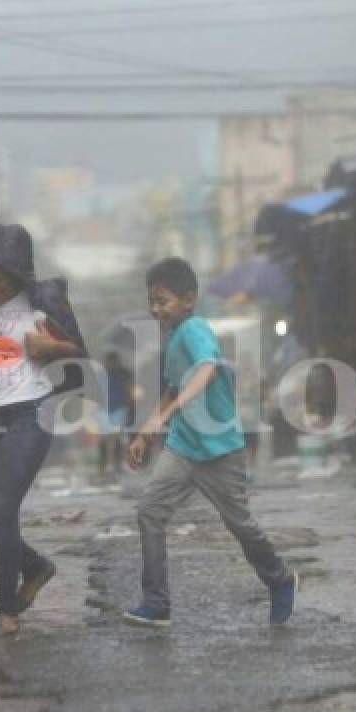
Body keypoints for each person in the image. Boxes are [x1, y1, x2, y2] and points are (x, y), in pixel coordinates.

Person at [124, 258, 297, 627]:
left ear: (188, 300)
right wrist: (144, 433)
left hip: (220, 451)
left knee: (240, 525)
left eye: (163, 301)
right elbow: (173, 388)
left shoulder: (196, 328)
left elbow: (207, 368)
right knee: (149, 511)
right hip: (183, 447)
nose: (156, 309)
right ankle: (157, 603)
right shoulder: (173, 340)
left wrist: (170, 412)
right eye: (151, 301)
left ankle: (280, 578)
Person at [0, 224, 87, 639]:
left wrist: (54, 349)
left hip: (31, 413)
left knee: (2, 511)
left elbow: (79, 354)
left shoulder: (46, 301)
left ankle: (6, 609)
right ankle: (35, 567)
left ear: (18, 272)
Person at [98, 351, 135, 481]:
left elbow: (130, 390)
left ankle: (120, 463)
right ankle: (111, 464)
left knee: (118, 437)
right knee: (109, 439)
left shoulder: (124, 374)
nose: (111, 364)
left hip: (119, 407)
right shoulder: (100, 375)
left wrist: (131, 404)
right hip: (105, 409)